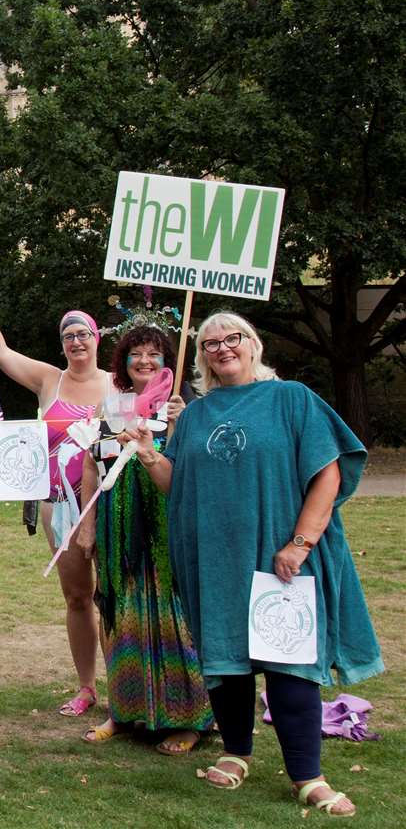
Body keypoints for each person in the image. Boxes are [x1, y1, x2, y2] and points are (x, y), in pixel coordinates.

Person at [128, 312, 381, 818]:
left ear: (253, 344)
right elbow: (182, 489)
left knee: (290, 664)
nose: (222, 348)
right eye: (211, 343)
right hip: (216, 560)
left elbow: (327, 476)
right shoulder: (195, 415)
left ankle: (307, 775)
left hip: (279, 557)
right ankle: (236, 751)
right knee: (227, 662)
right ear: (201, 356)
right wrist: (150, 456)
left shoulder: (291, 399)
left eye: (232, 338)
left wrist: (300, 543)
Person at [0, 274, 109, 716]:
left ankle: (127, 686)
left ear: (96, 338)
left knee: (116, 597)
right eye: (68, 336)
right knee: (77, 597)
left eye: (82, 333)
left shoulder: (117, 384)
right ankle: (87, 687)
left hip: (106, 504)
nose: (76, 342)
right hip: (58, 506)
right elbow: (1, 353)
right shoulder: (50, 381)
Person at [76, 323, 212, 751]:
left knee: (173, 615)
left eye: (154, 354)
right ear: (124, 361)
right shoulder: (110, 405)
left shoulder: (183, 406)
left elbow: (198, 466)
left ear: (167, 361)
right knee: (121, 610)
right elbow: (89, 466)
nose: (145, 361)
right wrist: (88, 523)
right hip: (118, 523)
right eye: (136, 354)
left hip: (165, 523)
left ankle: (189, 719)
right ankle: (124, 710)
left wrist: (182, 422)